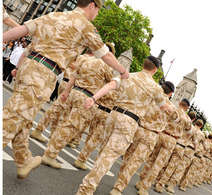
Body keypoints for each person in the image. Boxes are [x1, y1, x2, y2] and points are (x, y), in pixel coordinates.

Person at [2, 0, 128, 180]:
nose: (97, 14)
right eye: (98, 10)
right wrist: (123, 71)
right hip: (44, 72)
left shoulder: (54, 15)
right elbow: (105, 54)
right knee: (13, 117)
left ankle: (23, 161)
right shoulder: (85, 25)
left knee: (24, 117)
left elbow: (22, 29)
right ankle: (23, 160)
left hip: (29, 67)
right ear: (92, 5)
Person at [76, 56, 174, 195]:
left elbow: (110, 85)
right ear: (155, 70)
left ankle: (92, 178)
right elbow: (163, 106)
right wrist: (171, 109)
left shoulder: (129, 76)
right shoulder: (155, 87)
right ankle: (86, 189)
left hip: (113, 115)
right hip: (128, 121)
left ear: (143, 64)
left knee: (103, 151)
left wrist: (93, 98)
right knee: (109, 155)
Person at [109, 81, 176, 195]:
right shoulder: (170, 106)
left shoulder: (151, 97)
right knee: (136, 161)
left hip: (139, 129)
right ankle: (118, 187)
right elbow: (175, 118)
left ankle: (120, 177)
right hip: (151, 135)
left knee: (128, 155)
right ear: (171, 93)